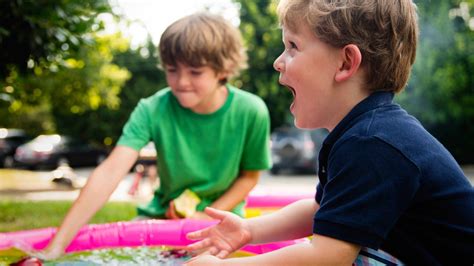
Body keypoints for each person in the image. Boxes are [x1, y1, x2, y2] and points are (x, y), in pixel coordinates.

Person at [184, 0, 474, 265]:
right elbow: (319, 210)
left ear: (346, 62)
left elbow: (326, 259)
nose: (278, 61)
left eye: (293, 46)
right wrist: (249, 229)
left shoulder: (373, 144)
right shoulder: (362, 133)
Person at [33, 12, 271, 260]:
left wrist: (206, 215)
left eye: (195, 72)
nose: (181, 82)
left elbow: (249, 177)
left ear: (223, 69)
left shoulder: (251, 111)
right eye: (172, 70)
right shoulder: (152, 108)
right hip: (161, 216)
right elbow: (111, 170)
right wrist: (56, 247)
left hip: (223, 220)